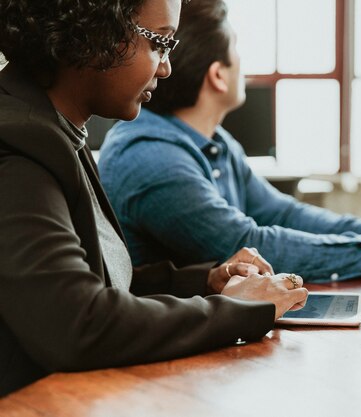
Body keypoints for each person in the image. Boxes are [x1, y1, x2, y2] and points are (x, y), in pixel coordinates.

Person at [0, 0, 308, 397]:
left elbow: (94, 279)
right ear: (96, 31)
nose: (166, 67)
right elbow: (79, 323)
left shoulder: (53, 129)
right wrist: (238, 311)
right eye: (159, 43)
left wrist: (205, 282)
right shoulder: (18, 145)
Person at [98, 0, 361, 283]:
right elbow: (246, 244)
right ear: (218, 75)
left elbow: (280, 212)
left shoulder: (214, 141)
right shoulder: (150, 157)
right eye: (236, 50)